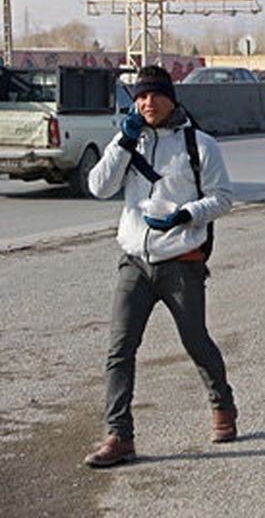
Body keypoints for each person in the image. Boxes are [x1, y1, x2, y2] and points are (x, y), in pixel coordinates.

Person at [84, 66, 236, 467]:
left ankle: (223, 404)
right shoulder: (128, 141)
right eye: (140, 97)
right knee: (120, 349)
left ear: (171, 98)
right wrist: (123, 143)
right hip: (134, 261)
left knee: (195, 341)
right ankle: (119, 435)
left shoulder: (199, 144)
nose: (147, 103)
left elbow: (222, 198)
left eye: (154, 96)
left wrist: (185, 215)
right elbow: (99, 187)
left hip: (181, 262)